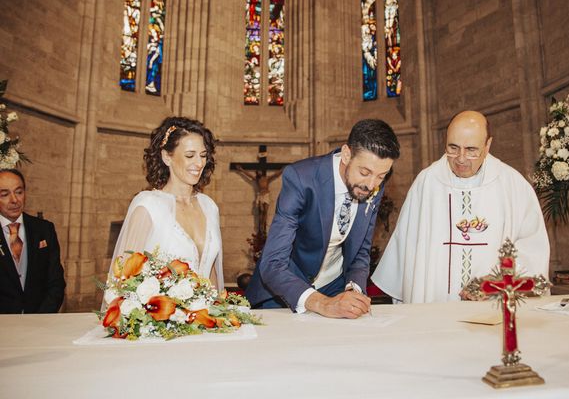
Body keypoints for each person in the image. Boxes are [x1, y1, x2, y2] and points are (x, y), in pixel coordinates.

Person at [372, 111, 550, 303]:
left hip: (493, 311)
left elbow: (532, 252)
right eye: (453, 147)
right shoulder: (427, 183)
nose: (461, 158)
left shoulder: (513, 186)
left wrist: (497, 284)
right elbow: (406, 253)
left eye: (471, 149)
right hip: (434, 311)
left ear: (488, 145)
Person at [245, 119, 400, 319]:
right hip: (285, 289)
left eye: (381, 176)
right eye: (364, 172)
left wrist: (354, 289)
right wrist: (322, 303)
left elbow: (361, 250)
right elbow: (273, 263)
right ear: (346, 154)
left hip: (335, 285)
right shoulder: (302, 178)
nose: (371, 185)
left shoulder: (373, 185)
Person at [107, 116, 223, 296]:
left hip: (204, 319)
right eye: (190, 155)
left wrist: (218, 313)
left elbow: (212, 274)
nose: (199, 163)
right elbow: (123, 280)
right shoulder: (148, 206)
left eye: (203, 155)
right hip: (161, 319)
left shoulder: (209, 207)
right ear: (166, 157)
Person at [0, 169, 66, 313]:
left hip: (39, 322)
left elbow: (56, 281)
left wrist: (41, 318)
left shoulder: (44, 229)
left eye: (19, 192)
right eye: (5, 194)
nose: (14, 200)